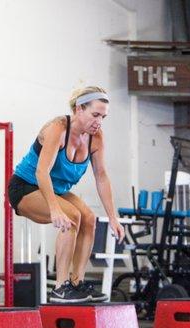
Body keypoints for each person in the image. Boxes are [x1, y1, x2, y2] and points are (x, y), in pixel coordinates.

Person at [8, 86, 125, 303]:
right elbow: (41, 172)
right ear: (79, 109)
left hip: (56, 189)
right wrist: (54, 209)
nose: (99, 121)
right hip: (25, 186)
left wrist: (112, 216)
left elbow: (102, 177)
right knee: (72, 217)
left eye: (103, 117)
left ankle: (77, 283)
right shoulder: (58, 128)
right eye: (95, 115)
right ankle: (60, 288)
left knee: (89, 219)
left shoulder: (96, 137)